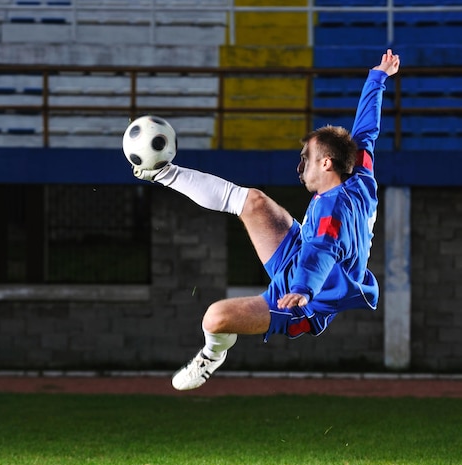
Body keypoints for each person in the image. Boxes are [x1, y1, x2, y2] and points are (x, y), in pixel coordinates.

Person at [132, 49, 401, 390]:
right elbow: (366, 131)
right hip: (299, 253)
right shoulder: (359, 172)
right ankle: (162, 173)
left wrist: (302, 289)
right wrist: (377, 78)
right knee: (253, 200)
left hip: (306, 298)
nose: (301, 164)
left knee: (215, 318)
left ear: (327, 164)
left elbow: (321, 250)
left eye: (308, 158)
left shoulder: (332, 213)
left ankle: (211, 356)